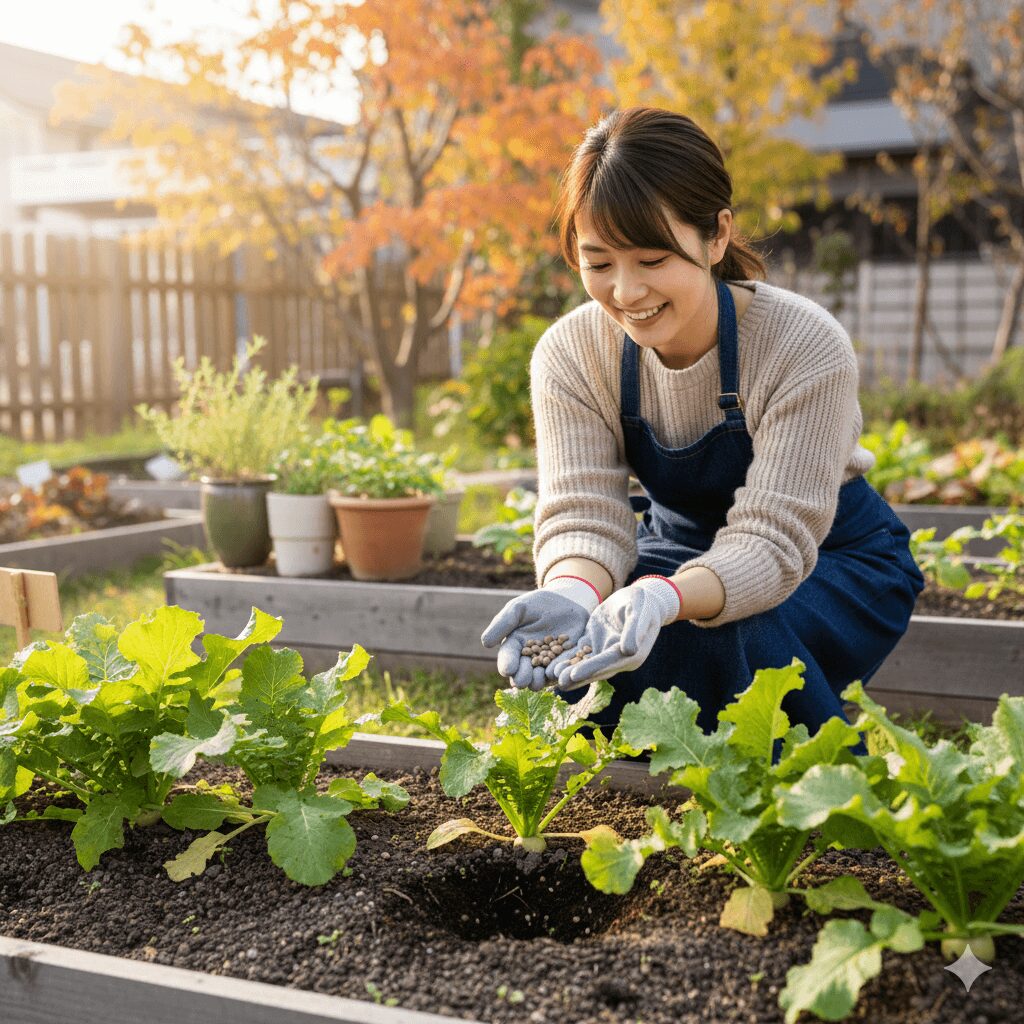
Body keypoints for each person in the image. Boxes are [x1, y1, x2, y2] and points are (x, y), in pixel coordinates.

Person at [481, 106, 924, 744]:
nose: (626, 291)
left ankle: (818, 807)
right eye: (599, 263)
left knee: (731, 632)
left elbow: (774, 542)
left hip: (830, 555)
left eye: (653, 259)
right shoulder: (572, 354)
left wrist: (666, 598)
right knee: (602, 637)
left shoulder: (801, 345)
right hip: (678, 546)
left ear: (716, 237)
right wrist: (575, 595)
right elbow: (585, 515)